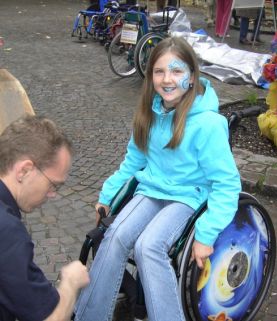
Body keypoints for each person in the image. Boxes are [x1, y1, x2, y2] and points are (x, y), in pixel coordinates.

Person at [74, 36, 241, 321]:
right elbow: (133, 162)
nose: (167, 79)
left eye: (176, 71)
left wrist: (206, 233)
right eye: (159, 71)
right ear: (150, 76)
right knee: (114, 236)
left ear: (191, 77)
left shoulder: (209, 125)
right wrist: (107, 195)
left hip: (188, 196)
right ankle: (89, 316)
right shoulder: (149, 114)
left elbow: (226, 184)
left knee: (148, 246)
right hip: (151, 189)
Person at [0, 115, 90, 321]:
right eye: (53, 184)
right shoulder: (7, 233)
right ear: (24, 170)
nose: (52, 194)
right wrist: (70, 284)